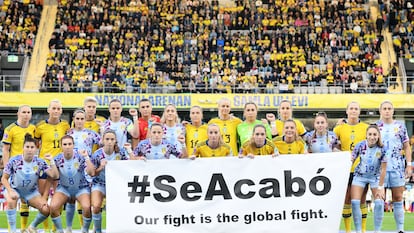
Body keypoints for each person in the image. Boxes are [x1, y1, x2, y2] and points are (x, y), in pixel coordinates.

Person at [1, 134, 59, 233]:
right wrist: (10, 191)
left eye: (32, 147)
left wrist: (52, 161)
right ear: (23, 148)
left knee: (46, 210)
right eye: (27, 147)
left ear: (36, 149)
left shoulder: (40, 162)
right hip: (14, 189)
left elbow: (54, 175)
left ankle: (31, 228)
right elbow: (4, 179)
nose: (29, 149)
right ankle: (13, 231)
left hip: (30, 192)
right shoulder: (14, 160)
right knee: (11, 201)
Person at [376, 100, 412, 233]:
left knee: (398, 198)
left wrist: (409, 165)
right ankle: (378, 229)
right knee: (379, 199)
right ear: (380, 110)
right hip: (380, 169)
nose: (387, 111)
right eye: (384, 108)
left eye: (389, 108)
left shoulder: (400, 127)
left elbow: (407, 147)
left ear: (393, 111)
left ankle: (400, 229)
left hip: (397, 167)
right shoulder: (375, 127)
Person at [34, 99, 70, 232]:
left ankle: (56, 229)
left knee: (58, 197)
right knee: (43, 197)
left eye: (58, 109)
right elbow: (36, 144)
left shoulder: (65, 126)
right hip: (45, 165)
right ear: (48, 110)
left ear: (61, 111)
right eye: (53, 108)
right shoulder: (40, 127)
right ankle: (45, 228)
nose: (56, 111)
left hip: (60, 165)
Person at [334, 101, 369, 233]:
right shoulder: (339, 128)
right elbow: (332, 145)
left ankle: (363, 229)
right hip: (346, 169)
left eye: (356, 109)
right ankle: (348, 230)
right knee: (347, 199)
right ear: (347, 111)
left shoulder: (366, 128)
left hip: (362, 169)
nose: (353, 111)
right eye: (351, 108)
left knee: (362, 199)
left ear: (359, 112)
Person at [1, 105, 36, 229]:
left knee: (25, 201)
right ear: (18, 113)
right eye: (24, 112)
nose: (26, 114)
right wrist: (7, 168)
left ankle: (23, 228)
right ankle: (12, 230)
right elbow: (5, 150)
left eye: (28, 112)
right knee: (11, 200)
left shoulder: (33, 128)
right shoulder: (10, 129)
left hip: (29, 168)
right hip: (14, 169)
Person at [65, 109, 100, 232]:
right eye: (77, 118)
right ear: (73, 119)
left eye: (82, 118)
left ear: (85, 120)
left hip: (87, 169)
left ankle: (93, 227)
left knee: (88, 199)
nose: (79, 121)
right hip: (72, 170)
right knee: (71, 199)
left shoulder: (92, 133)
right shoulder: (68, 134)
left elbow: (104, 143)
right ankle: (68, 228)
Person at [89, 129, 130, 233]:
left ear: (115, 140)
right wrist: (100, 167)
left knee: (117, 208)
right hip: (99, 183)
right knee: (96, 206)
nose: (110, 141)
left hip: (115, 183)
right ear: (102, 140)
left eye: (112, 139)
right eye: (107, 139)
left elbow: (130, 166)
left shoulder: (120, 152)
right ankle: (98, 230)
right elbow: (93, 173)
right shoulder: (97, 154)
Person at [49, 135, 92, 233]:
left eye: (69, 144)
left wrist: (86, 157)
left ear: (73, 145)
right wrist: (51, 162)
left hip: (81, 188)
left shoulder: (80, 157)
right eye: (65, 144)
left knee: (86, 207)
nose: (67, 146)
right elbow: (54, 176)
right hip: (64, 188)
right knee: (53, 207)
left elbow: (91, 172)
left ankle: (85, 230)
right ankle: (61, 231)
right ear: (61, 146)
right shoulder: (57, 159)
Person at [351, 125, 387, 233]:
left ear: (378, 136)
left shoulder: (382, 148)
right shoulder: (360, 145)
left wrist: (381, 187)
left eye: (375, 134)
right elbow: (351, 160)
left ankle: (377, 230)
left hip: (375, 177)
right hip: (360, 176)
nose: (372, 137)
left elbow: (384, 169)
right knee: (354, 202)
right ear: (366, 135)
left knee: (380, 202)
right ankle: (358, 231)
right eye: (370, 134)